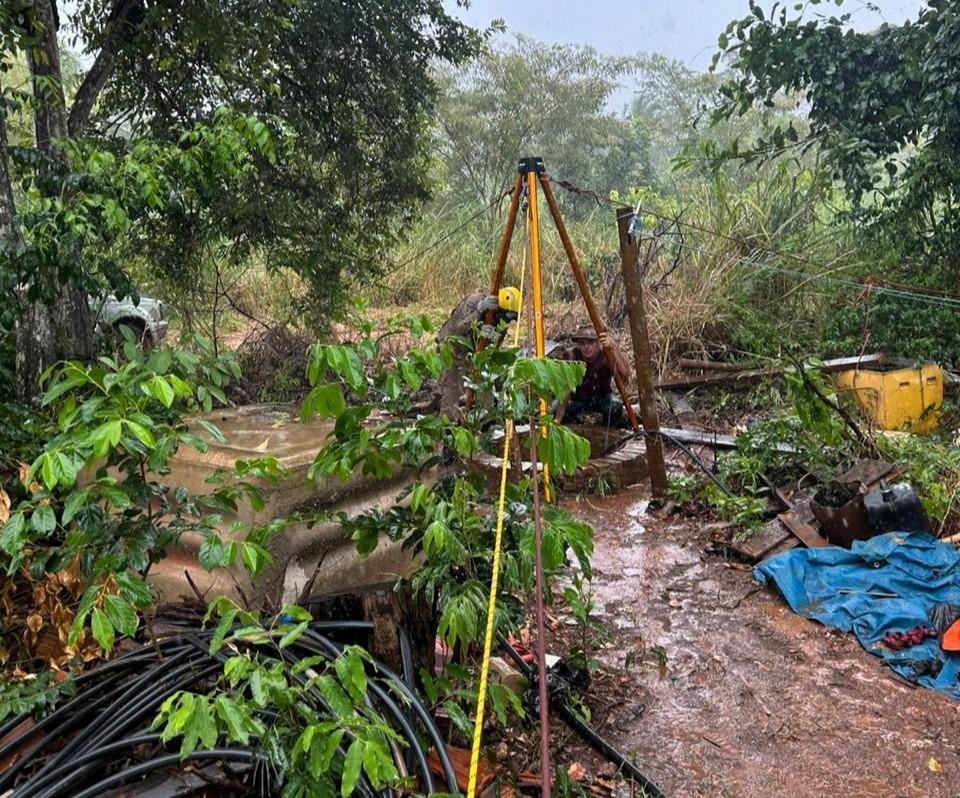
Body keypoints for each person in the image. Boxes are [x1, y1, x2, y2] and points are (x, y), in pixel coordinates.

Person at [435, 288, 520, 418]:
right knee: (452, 388)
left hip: (474, 351)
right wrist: (478, 312)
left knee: (485, 384)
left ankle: (484, 421)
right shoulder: (476, 301)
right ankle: (447, 427)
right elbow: (458, 328)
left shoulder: (502, 321)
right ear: (501, 308)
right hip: (452, 346)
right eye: (509, 316)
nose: (509, 321)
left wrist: (492, 338)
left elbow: (493, 348)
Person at [554, 325, 628, 426]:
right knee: (554, 412)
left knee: (615, 408)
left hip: (603, 400)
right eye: (582, 343)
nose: (586, 347)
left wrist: (614, 348)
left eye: (591, 343)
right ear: (578, 345)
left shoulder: (606, 357)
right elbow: (565, 388)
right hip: (578, 401)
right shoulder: (571, 356)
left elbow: (625, 377)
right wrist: (558, 419)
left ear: (598, 344)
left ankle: (608, 431)